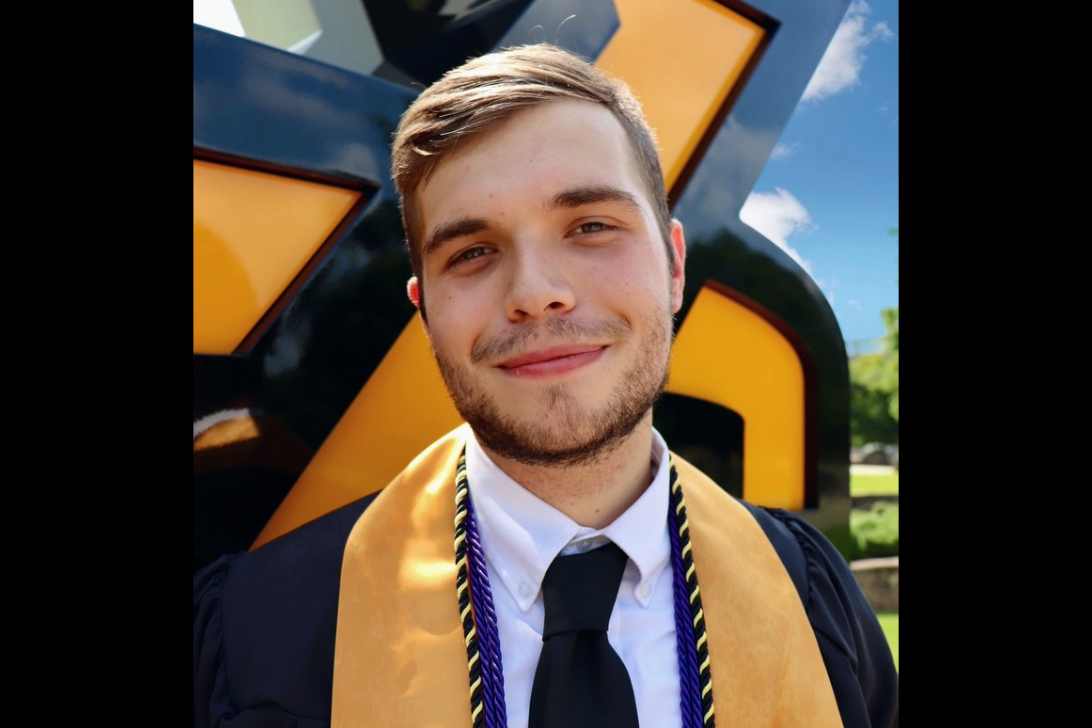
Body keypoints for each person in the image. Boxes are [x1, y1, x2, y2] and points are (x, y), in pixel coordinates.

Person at [193, 43, 899, 728]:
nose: (535, 293)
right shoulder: (258, 634)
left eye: (591, 226)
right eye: (472, 252)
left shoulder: (810, 595)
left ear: (675, 266)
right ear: (427, 313)